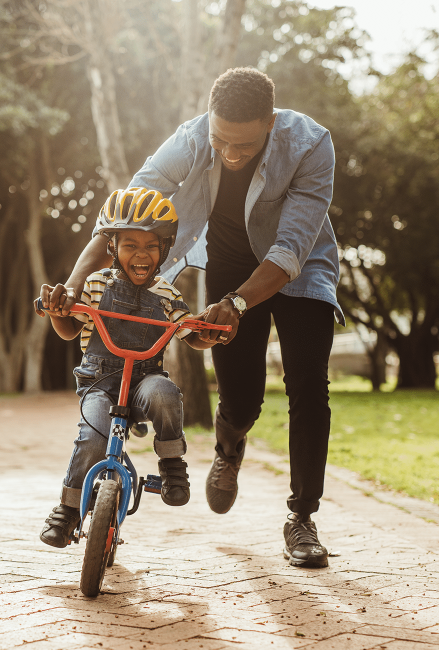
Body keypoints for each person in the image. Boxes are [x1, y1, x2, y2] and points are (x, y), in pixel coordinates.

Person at [47, 67, 344, 568]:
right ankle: (230, 444)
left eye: (244, 145)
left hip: (301, 267)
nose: (230, 154)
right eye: (221, 140)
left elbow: (291, 247)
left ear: (270, 123)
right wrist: (74, 284)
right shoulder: (191, 137)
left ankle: (302, 517)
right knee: (243, 397)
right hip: (230, 261)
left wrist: (239, 305)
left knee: (308, 386)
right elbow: (126, 211)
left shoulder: (311, 145)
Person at [37, 187, 217, 549]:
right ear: (112, 248)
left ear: (164, 250)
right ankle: (68, 509)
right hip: (99, 383)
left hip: (144, 380)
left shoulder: (167, 294)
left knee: (166, 395)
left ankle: (171, 464)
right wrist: (58, 312)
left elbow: (189, 333)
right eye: (130, 245)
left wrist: (209, 333)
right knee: (93, 435)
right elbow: (71, 328)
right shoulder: (94, 284)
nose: (141, 254)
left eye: (151, 246)